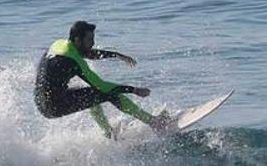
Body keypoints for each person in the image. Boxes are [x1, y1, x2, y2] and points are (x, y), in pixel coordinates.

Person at [34, 21, 171, 138]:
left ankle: (109, 134)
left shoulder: (60, 45)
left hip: (41, 101)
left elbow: (88, 53)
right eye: (89, 40)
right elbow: (102, 86)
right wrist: (133, 90)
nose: (93, 43)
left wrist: (116, 55)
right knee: (109, 93)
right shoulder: (72, 61)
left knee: (91, 95)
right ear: (77, 39)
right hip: (54, 106)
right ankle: (154, 123)